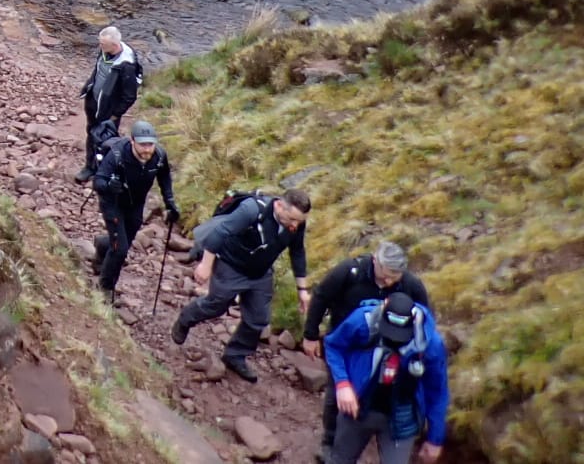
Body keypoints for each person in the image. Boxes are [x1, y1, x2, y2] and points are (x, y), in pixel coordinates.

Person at [306, 243, 433, 461]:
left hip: (389, 349)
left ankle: (375, 436)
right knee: (337, 394)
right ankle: (331, 442)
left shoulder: (411, 286)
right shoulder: (349, 272)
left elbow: (425, 321)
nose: (389, 282)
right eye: (385, 275)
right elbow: (321, 297)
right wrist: (310, 334)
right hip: (345, 343)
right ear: (375, 261)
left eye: (395, 277)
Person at [172, 187, 313, 383]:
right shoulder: (251, 210)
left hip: (260, 273)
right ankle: (186, 319)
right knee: (216, 305)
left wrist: (302, 290)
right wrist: (205, 265)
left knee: (258, 318)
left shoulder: (296, 223)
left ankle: (235, 355)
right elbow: (220, 232)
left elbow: (297, 252)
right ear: (279, 205)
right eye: (292, 219)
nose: (295, 224)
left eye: (299, 221)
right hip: (231, 264)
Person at [323, 291, 448, 464]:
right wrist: (343, 384)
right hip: (358, 407)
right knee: (339, 460)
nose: (394, 339)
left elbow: (437, 391)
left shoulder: (430, 344)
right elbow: (334, 346)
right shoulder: (363, 321)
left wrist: (435, 438)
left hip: (402, 417)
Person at [90, 121, 180, 297]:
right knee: (120, 249)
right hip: (113, 203)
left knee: (122, 242)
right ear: (132, 141)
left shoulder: (159, 156)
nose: (147, 149)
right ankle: (105, 289)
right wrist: (109, 186)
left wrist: (169, 202)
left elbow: (164, 177)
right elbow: (98, 181)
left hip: (136, 205)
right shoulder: (117, 155)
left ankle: (102, 245)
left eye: (150, 144)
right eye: (142, 144)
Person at [75, 25, 143, 182]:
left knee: (104, 140)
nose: (100, 46)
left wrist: (115, 114)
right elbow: (98, 71)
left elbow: (129, 96)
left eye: (103, 44)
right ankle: (90, 166)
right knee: (92, 133)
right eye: (100, 43)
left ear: (114, 45)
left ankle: (104, 171)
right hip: (94, 102)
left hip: (109, 110)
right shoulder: (106, 50)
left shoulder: (127, 65)